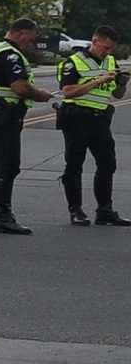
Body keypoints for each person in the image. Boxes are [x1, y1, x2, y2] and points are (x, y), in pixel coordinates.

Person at [0, 17, 57, 234]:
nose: (31, 43)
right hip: (4, 116)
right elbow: (20, 87)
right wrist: (39, 94)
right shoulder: (10, 55)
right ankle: (3, 216)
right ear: (20, 33)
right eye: (30, 39)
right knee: (8, 166)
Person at [56, 24, 128, 226]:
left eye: (111, 49)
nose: (108, 52)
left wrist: (122, 83)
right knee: (74, 164)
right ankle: (76, 210)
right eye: (105, 47)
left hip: (100, 119)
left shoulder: (111, 62)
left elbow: (117, 94)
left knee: (108, 164)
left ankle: (104, 210)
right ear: (94, 42)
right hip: (77, 117)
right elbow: (68, 91)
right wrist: (97, 80)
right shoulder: (74, 62)